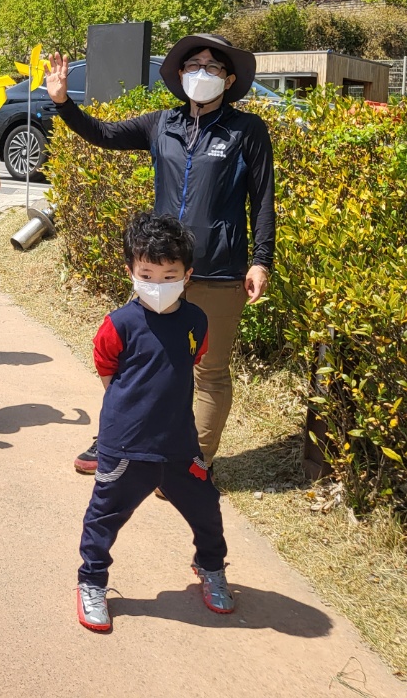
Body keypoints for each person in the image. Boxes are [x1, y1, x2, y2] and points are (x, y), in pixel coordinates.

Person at [45, 34, 275, 472]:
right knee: (141, 362)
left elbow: (263, 199)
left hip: (220, 269)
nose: (202, 73)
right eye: (194, 65)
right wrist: (63, 103)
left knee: (209, 372)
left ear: (228, 80)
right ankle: (120, 441)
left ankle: (193, 461)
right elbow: (104, 134)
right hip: (161, 269)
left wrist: (261, 259)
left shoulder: (246, 131)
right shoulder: (161, 124)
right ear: (180, 75)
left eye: (212, 67)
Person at [76, 212, 233, 633]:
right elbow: (107, 368)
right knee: (104, 516)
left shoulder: (196, 321)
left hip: (179, 444)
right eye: (147, 274)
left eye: (170, 275)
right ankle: (91, 580)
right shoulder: (118, 323)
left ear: (187, 275)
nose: (158, 284)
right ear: (131, 271)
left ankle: (211, 566)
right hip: (125, 445)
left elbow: (193, 362)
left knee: (206, 508)